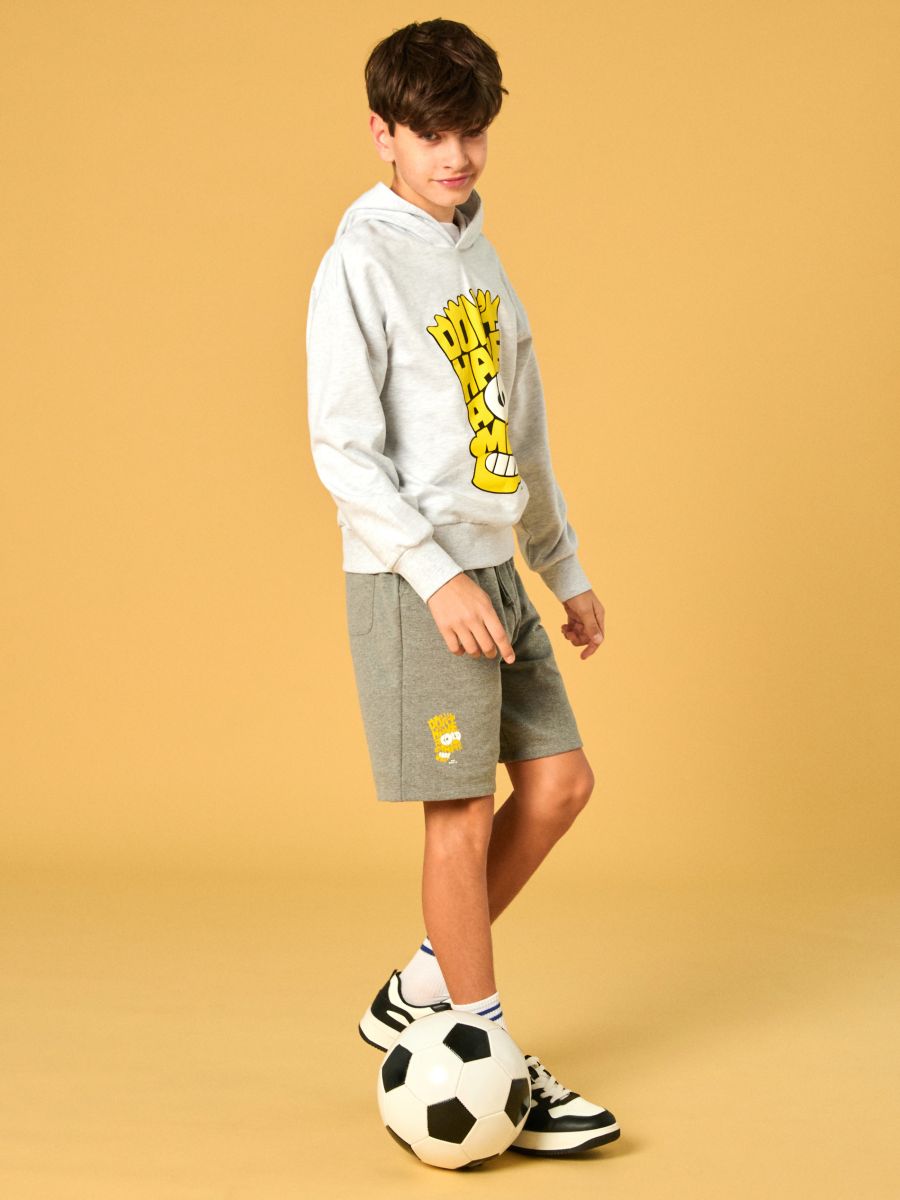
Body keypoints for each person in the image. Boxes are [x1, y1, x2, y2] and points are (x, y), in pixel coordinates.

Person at [306, 18, 619, 1156]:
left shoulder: (478, 254)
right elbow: (344, 451)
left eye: (472, 132)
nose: (456, 155)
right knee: (462, 813)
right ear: (382, 134)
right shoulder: (360, 261)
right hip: (418, 579)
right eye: (431, 133)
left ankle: (427, 987)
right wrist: (436, 577)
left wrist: (561, 567)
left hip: (493, 566)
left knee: (562, 784)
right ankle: (484, 1055)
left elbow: (520, 431)